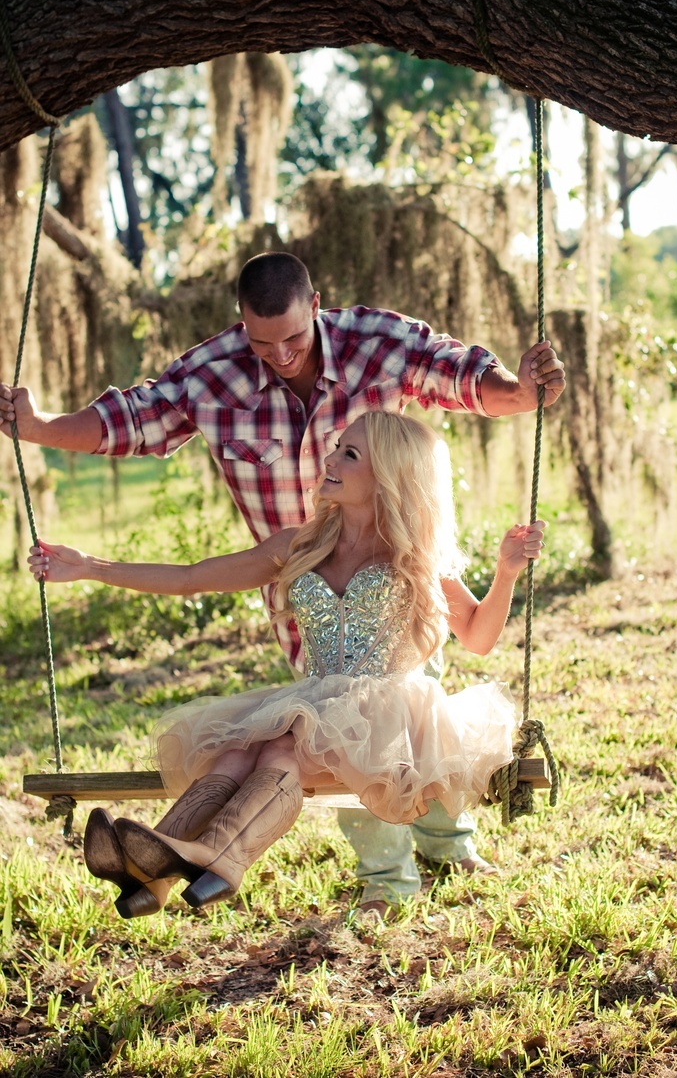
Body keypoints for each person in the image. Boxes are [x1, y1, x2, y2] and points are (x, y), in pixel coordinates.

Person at [3, 250, 565, 915]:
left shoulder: (411, 543)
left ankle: (415, 854)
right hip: (306, 634)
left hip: (394, 676)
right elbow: (186, 558)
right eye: (261, 341)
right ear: (240, 324)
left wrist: (525, 394)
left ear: (316, 305)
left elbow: (464, 377)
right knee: (268, 740)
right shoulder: (289, 527)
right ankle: (162, 855)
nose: (281, 355)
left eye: (294, 338)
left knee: (338, 745)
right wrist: (81, 543)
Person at [29, 412, 546, 918]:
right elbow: (191, 577)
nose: (331, 459)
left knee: (283, 743)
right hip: (317, 701)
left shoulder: (414, 557)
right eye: (337, 446)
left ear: (389, 474)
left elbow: (478, 637)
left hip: (390, 719)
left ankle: (216, 859)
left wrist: (506, 574)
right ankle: (156, 868)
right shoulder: (300, 545)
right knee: (238, 748)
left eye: (351, 453)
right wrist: (91, 568)